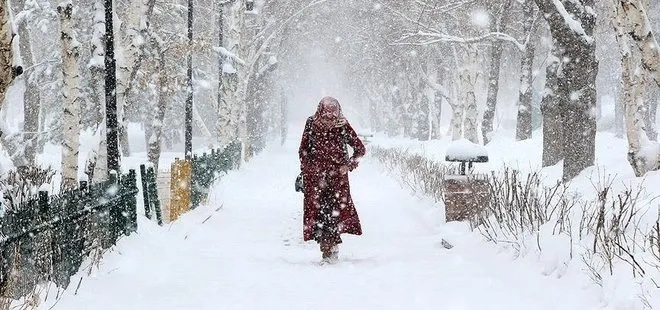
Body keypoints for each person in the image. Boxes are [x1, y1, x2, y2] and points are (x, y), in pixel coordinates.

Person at [298, 96, 366, 263]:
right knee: (319, 215)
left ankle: (331, 249)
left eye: (333, 116)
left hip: (337, 182)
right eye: (326, 115)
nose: (329, 120)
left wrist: (348, 165)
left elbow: (360, 149)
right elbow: (303, 150)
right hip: (316, 181)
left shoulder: (342, 126)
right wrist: (308, 169)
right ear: (320, 112)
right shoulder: (311, 123)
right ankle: (326, 248)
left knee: (333, 215)